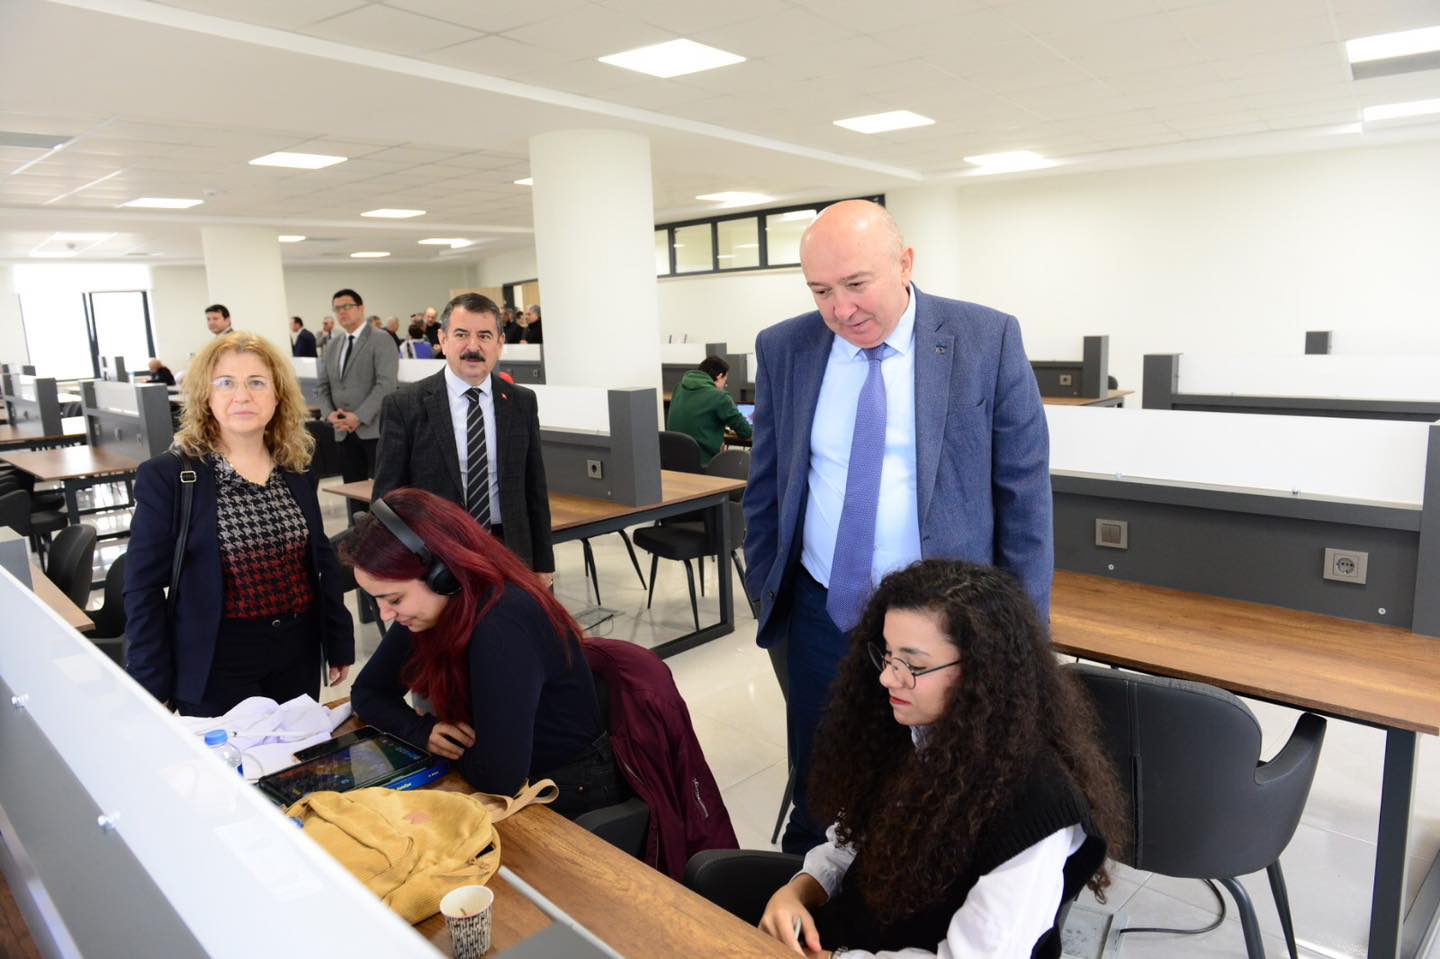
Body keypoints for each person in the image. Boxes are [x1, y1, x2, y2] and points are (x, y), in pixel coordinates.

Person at [743, 199, 1052, 854]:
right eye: (820, 291)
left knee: (937, 789)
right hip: (822, 610)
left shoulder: (985, 340)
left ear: (905, 263)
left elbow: (1024, 499)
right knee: (824, 782)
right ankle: (812, 888)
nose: (840, 309)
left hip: (943, 625)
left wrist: (1022, 639)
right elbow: (767, 485)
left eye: (856, 284)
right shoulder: (784, 348)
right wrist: (769, 591)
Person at [757, 560, 1122, 958]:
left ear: (983, 672)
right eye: (887, 655)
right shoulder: (906, 726)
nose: (887, 678)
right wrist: (799, 891)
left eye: (913, 665)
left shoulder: (1039, 808)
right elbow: (851, 840)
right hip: (845, 937)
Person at [343, 488, 622, 817]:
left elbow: (499, 777)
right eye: (377, 600)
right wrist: (420, 731)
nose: (386, 614)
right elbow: (367, 692)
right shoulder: (434, 607)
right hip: (505, 777)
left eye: (394, 599)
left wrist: (439, 743)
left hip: (566, 788)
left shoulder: (503, 623)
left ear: (442, 575)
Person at [124, 332, 355, 716]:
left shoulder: (295, 468)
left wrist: (338, 638)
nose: (242, 396)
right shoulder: (171, 476)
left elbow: (320, 560)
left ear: (278, 395)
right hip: (217, 660)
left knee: (296, 752)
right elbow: (142, 586)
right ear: (205, 396)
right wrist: (151, 680)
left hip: (297, 654)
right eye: (226, 383)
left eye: (257, 382)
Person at [373, 293, 555, 584]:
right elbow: (388, 499)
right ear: (443, 340)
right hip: (438, 556)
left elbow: (535, 488)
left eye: (484, 336)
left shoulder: (521, 402)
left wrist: (543, 563)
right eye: (461, 335)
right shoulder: (404, 405)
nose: (473, 346)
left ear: (499, 343)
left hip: (510, 551)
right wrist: (405, 567)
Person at [315, 288, 399, 505]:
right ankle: (356, 527)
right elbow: (323, 385)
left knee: (384, 496)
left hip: (374, 430)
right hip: (342, 431)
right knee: (353, 494)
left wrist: (359, 417)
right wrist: (329, 414)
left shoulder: (381, 339)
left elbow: (386, 384)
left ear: (361, 308)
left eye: (347, 306)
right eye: (337, 309)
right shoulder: (333, 344)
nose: (341, 312)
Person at [666, 355, 752, 462]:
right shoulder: (720, 396)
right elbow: (746, 432)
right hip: (703, 463)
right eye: (725, 381)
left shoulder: (679, 388)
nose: (725, 386)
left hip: (672, 461)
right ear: (719, 376)